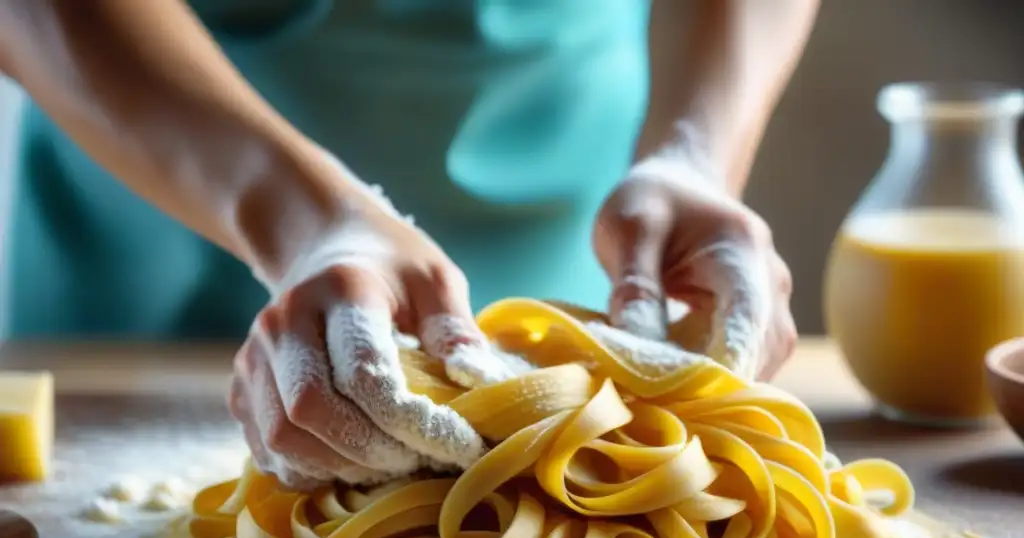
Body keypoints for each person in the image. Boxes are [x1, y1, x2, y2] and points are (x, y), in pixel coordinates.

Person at [0, 0, 817, 489]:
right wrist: (298, 220)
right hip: (152, 231)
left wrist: (696, 151)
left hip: (572, 187)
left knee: (562, 469)